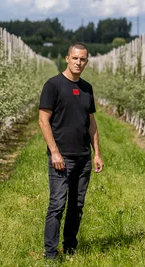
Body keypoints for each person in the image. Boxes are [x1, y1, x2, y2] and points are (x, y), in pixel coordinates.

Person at [38, 42, 103, 260]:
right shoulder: (53, 85)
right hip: (62, 158)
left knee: (77, 205)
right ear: (67, 58)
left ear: (86, 61)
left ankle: (71, 248)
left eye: (83, 59)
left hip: (83, 158)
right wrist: (54, 152)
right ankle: (50, 254)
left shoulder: (87, 88)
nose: (78, 62)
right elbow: (43, 121)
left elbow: (91, 123)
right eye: (75, 58)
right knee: (57, 204)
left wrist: (97, 154)